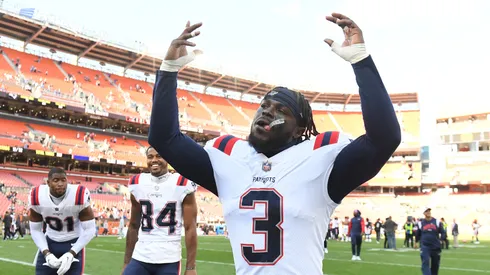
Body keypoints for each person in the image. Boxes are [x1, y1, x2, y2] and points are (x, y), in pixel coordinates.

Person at [148, 13, 401, 275]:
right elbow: (164, 139)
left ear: (300, 129)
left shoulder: (320, 159)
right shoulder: (229, 157)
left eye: (282, 110)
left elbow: (384, 139)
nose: (267, 112)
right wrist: (168, 71)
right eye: (265, 106)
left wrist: (361, 61)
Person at [122, 147, 198, 275]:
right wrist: (126, 262)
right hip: (141, 255)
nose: (154, 160)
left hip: (169, 258)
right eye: (150, 157)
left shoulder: (182, 183)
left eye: (159, 156)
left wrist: (191, 267)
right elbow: (134, 225)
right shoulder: (137, 183)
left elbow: (190, 227)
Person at [28, 167, 96, 275]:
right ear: (48, 183)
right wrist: (46, 253)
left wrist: (72, 253)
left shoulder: (79, 194)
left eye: (63, 180)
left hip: (73, 242)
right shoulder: (37, 196)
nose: (60, 184)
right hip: (50, 241)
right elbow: (35, 230)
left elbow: (90, 229)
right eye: (56, 180)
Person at [418, 207, 442, 275]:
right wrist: (416, 242)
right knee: (425, 262)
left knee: (435, 265)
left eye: (429, 211)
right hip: (425, 246)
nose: (428, 212)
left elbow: (442, 231)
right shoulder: (421, 223)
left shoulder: (436, 222)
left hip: (435, 246)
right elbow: (418, 233)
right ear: (424, 213)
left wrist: (442, 240)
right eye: (426, 211)